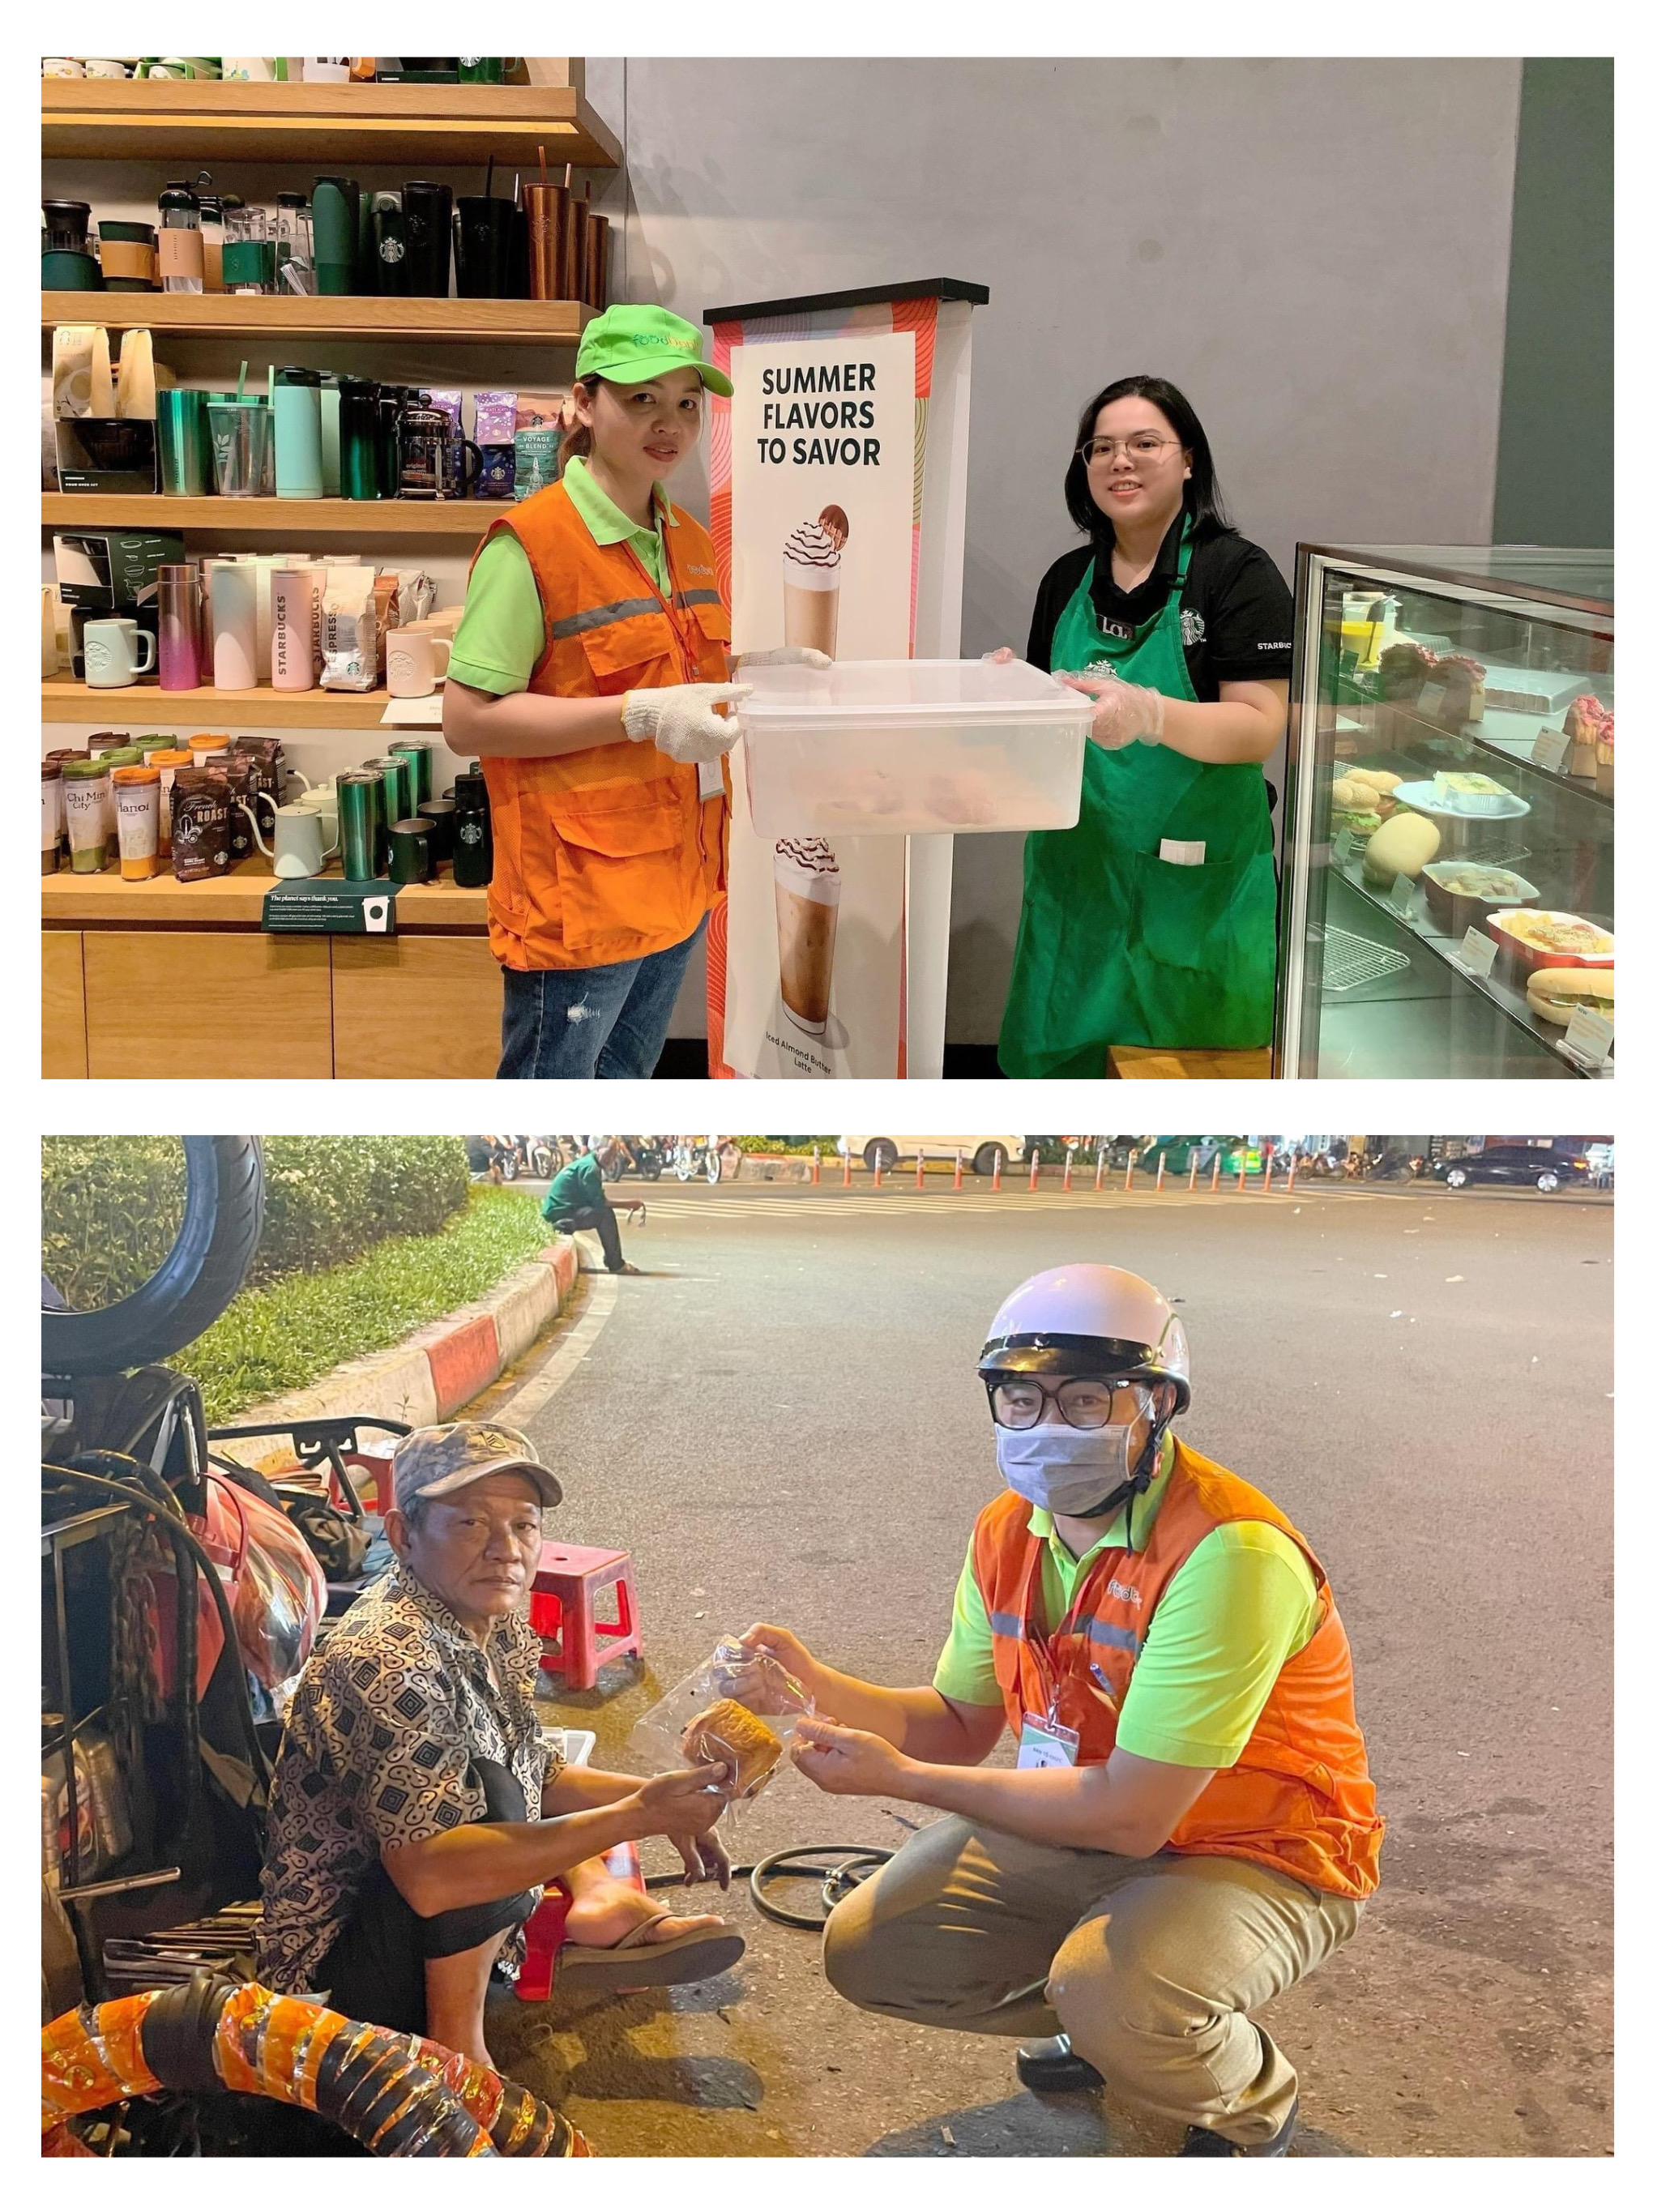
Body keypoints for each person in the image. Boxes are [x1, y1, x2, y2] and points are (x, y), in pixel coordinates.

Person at [755, 1265, 1377, 2155]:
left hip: (1259, 1847)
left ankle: (1244, 2096)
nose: (1048, 1426)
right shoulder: (1008, 1530)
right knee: (871, 1951)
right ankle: (1112, 2029)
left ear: (1156, 1404)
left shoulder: (1228, 1554)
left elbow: (1131, 1814)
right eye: (1021, 1398)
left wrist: (904, 1783)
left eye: (1086, 1400)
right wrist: (810, 1683)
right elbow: (958, 1722)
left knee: (1116, 1993)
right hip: (1088, 1818)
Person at [259, 1421, 737, 2082]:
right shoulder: (387, 1658)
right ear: (401, 1535)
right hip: (338, 1978)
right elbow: (432, 1879)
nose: (504, 1549)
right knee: (491, 1806)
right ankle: (458, 2053)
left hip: (426, 1929)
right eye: (470, 1524)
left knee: (506, 1780)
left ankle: (590, 1903)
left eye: (523, 1525)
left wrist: (673, 1798)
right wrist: (637, 1818)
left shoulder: (493, 1617)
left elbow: (532, 1763)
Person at [439, 307, 831, 1079]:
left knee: (623, 1091)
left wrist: (753, 670)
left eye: (687, 402)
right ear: (583, 404)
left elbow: (670, 668)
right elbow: (467, 719)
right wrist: (636, 715)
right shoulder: (532, 544)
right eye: (641, 398)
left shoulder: (682, 534)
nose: (670, 424)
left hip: (676, 882)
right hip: (580, 896)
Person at [995, 377, 1296, 1077]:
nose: (1118, 461)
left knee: (1177, 1087)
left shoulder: (1235, 573)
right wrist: (1006, 698)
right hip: (1080, 880)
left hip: (1192, 894)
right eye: (1100, 448)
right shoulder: (1067, 578)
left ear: (1188, 459)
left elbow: (1257, 728)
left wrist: (1150, 714)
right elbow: (1053, 727)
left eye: (1143, 443)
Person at [541, 1140, 635, 1275]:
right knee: (605, 1215)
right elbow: (601, 1203)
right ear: (597, 1149)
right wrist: (629, 1204)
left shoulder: (587, 1163)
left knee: (602, 1213)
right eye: (608, 1153)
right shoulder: (591, 1169)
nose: (611, 1158)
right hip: (561, 1214)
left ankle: (611, 1258)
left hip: (563, 1210)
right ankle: (616, 1264)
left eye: (615, 1155)